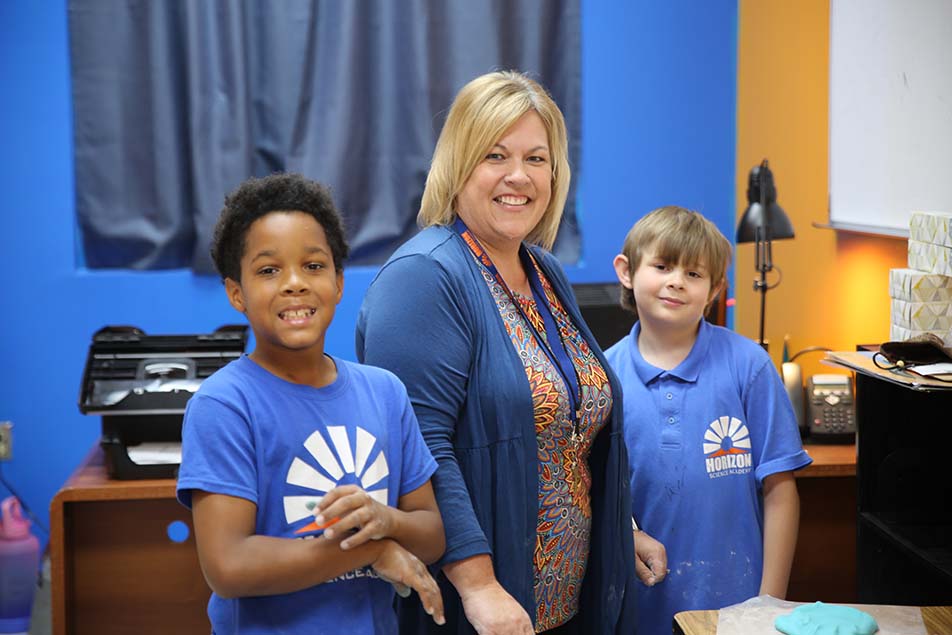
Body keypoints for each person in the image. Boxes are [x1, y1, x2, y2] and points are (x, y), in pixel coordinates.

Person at [356, 71, 639, 634]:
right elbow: (419, 447)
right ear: (458, 165)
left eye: (537, 158)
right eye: (495, 155)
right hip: (481, 609)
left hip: (565, 604)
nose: (519, 176)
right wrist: (479, 584)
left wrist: (622, 530)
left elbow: (566, 432)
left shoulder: (543, 271)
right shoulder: (424, 276)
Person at [175, 173, 446, 634]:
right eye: (268, 270)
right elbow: (228, 565)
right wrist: (372, 548)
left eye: (314, 266)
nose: (294, 283)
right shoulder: (224, 404)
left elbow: (433, 534)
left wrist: (385, 520)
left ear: (340, 283)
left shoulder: (384, 392)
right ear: (235, 292)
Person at [604, 205, 813, 634]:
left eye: (694, 274)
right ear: (626, 271)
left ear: (715, 289)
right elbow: (594, 493)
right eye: (662, 266)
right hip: (636, 609)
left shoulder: (750, 367)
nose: (677, 281)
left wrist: (769, 603)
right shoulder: (603, 378)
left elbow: (779, 490)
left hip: (737, 608)